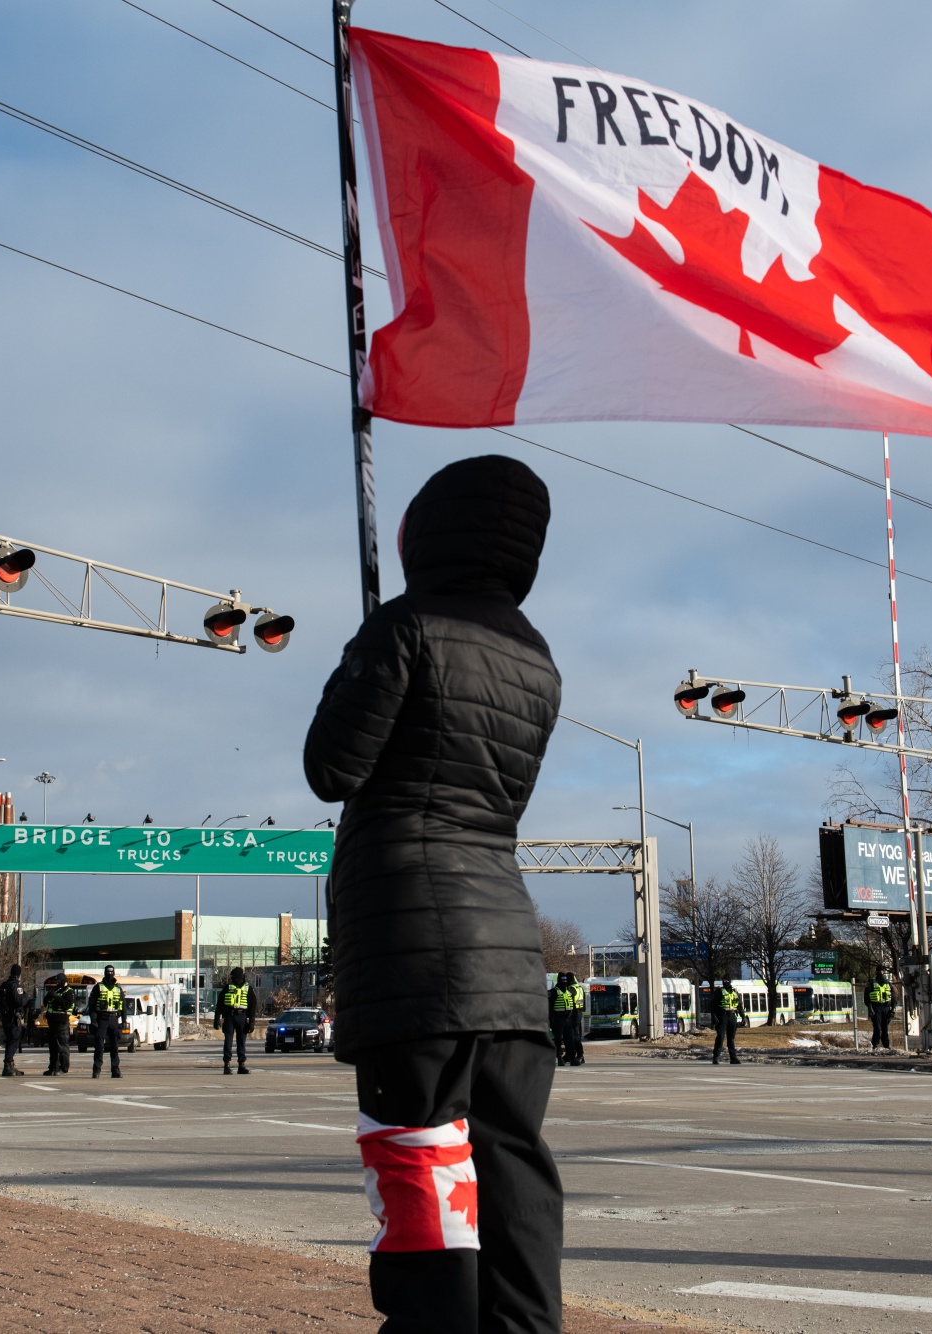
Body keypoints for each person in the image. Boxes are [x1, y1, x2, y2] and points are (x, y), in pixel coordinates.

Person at [304, 455, 563, 1334]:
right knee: (513, 1166)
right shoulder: (536, 654)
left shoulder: (403, 626)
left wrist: (361, 660)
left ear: (430, 534)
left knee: (420, 1158)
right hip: (508, 959)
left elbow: (331, 768)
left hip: (414, 948)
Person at [214, 967, 258, 1076]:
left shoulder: (247, 989)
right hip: (231, 1016)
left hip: (240, 1016)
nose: (234, 979)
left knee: (240, 1042)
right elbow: (219, 1004)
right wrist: (217, 1019)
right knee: (230, 1041)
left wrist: (252, 1021)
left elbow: (253, 1006)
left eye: (234, 977)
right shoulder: (228, 988)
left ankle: (240, 1065)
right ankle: (228, 1065)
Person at [87, 965, 125, 1079]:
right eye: (108, 972)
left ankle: (115, 1070)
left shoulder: (118, 988)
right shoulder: (98, 987)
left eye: (111, 972)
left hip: (114, 1018)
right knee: (99, 1045)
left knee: (115, 1046)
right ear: (105, 973)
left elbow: (122, 1007)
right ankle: (96, 1070)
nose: (110, 974)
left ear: (114, 973)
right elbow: (92, 1006)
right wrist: (93, 1020)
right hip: (102, 1018)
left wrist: (124, 1020)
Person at [0, 964, 27, 1077]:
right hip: (13, 1017)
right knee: (14, 1040)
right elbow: (20, 1002)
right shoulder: (15, 986)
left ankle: (10, 1065)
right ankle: (8, 1066)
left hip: (5, 1017)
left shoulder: (4, 985)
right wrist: (25, 996)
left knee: (10, 1040)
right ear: (18, 974)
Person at [41, 973, 76, 1076]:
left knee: (62, 1045)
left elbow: (66, 1005)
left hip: (62, 1021)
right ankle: (53, 1067)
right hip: (52, 1021)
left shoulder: (69, 992)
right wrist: (48, 997)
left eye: (58, 982)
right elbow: (47, 1004)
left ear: (64, 982)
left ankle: (63, 1068)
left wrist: (56, 997)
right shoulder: (55, 991)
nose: (57, 984)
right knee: (53, 1046)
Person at [548, 973, 585, 1069]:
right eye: (562, 980)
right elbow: (550, 1007)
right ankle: (559, 1057)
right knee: (558, 1039)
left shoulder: (569, 991)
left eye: (565, 980)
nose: (564, 982)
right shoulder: (554, 992)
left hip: (568, 1018)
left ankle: (572, 1057)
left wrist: (574, 1017)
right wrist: (551, 1020)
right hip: (558, 1018)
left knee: (570, 1038)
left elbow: (573, 1006)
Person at [711, 979, 743, 1066]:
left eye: (727, 980)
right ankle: (716, 1057)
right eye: (724, 980)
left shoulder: (734, 992)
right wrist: (714, 1016)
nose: (726, 982)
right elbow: (712, 1005)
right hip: (722, 1015)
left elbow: (739, 1005)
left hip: (732, 1015)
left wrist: (743, 1017)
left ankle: (733, 1058)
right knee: (720, 1037)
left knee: (731, 1038)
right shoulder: (719, 992)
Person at [865, 968, 896, 1051]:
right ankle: (875, 1044)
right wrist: (870, 1008)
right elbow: (867, 998)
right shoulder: (871, 983)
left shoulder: (888, 984)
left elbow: (893, 997)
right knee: (877, 1028)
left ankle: (886, 1045)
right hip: (876, 1007)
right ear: (877, 972)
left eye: (882, 971)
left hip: (886, 1007)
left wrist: (893, 1008)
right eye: (880, 971)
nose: (881, 973)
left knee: (885, 1028)